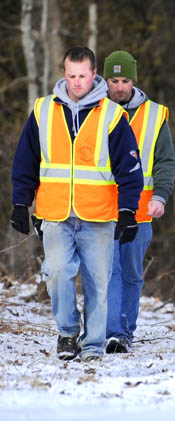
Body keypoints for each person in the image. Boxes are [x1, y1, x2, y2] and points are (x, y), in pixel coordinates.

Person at [10, 46, 143, 362]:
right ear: (64, 73)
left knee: (98, 282)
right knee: (56, 273)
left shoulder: (112, 115)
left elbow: (129, 167)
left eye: (83, 76)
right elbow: (25, 161)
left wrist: (127, 210)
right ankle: (68, 333)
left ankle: (93, 345)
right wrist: (20, 202)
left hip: (98, 215)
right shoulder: (43, 110)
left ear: (94, 74)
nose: (77, 82)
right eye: (71, 76)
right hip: (54, 212)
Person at [102, 50, 175, 354]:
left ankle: (124, 330)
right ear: (105, 80)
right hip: (101, 208)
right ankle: (112, 332)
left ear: (134, 79)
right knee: (108, 271)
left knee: (131, 272)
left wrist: (160, 196)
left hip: (141, 211)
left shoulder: (155, 115)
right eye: (113, 80)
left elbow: (165, 161)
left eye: (125, 80)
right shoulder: (95, 111)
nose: (119, 87)